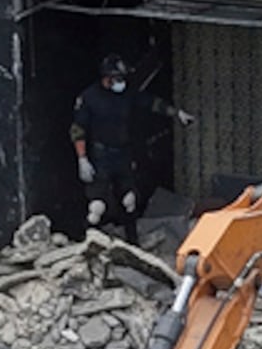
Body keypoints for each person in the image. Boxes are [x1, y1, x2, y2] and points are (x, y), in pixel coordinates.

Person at [70, 55, 192, 243]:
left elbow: (151, 102)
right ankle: (84, 243)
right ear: (107, 78)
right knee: (97, 207)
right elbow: (78, 129)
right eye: (118, 78)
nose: (122, 82)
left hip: (123, 154)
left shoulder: (128, 94)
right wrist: (82, 158)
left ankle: (133, 243)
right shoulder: (89, 98)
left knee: (129, 201)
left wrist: (177, 113)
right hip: (101, 155)